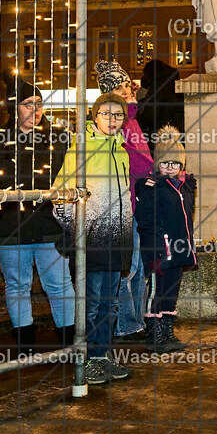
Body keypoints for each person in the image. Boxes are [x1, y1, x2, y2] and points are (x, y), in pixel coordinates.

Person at [0, 77, 75, 354]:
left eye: (39, 103)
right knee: (18, 285)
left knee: (58, 284)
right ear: (14, 107)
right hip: (10, 229)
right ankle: (25, 345)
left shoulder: (58, 139)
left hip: (49, 226)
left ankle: (68, 344)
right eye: (28, 104)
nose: (36, 109)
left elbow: (68, 177)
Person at [54, 93, 134, 385]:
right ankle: (87, 360)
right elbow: (60, 194)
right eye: (105, 113)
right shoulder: (81, 149)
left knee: (109, 304)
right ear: (94, 116)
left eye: (118, 115)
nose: (112, 120)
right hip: (91, 242)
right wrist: (80, 229)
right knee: (90, 302)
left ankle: (103, 356)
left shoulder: (122, 151)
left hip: (118, 241)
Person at [94, 60, 152, 343]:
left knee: (138, 266)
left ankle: (135, 321)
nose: (128, 89)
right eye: (120, 86)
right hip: (120, 202)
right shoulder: (114, 121)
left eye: (128, 84)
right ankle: (125, 325)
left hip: (134, 200)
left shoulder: (132, 118)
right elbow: (136, 162)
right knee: (128, 267)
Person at [135, 125, 196, 353]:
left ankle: (167, 331)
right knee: (157, 292)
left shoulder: (184, 187)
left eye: (175, 163)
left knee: (171, 291)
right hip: (160, 251)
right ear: (157, 164)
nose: (170, 167)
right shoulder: (152, 187)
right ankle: (155, 335)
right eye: (165, 163)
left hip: (179, 250)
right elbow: (145, 221)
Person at [135, 59, 185, 141]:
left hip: (162, 130)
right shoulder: (173, 82)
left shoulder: (157, 87)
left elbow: (151, 113)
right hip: (177, 129)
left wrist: (138, 120)